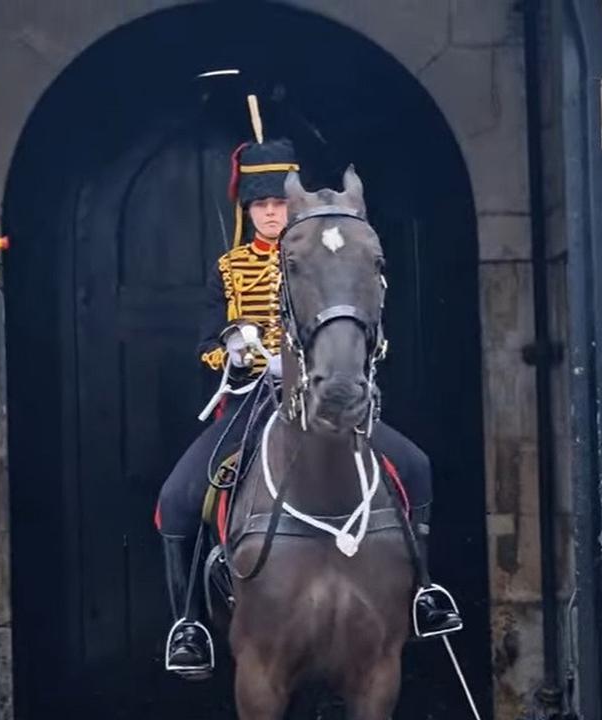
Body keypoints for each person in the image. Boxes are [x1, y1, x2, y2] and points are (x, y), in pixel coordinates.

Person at [154, 137, 462, 680]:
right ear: (247, 210)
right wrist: (235, 351)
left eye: (279, 203)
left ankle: (424, 592)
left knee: (415, 467)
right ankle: (190, 624)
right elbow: (205, 343)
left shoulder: (326, 253)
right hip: (252, 401)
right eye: (261, 204)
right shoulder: (230, 268)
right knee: (176, 498)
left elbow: (362, 315)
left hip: (323, 393)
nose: (271, 213)